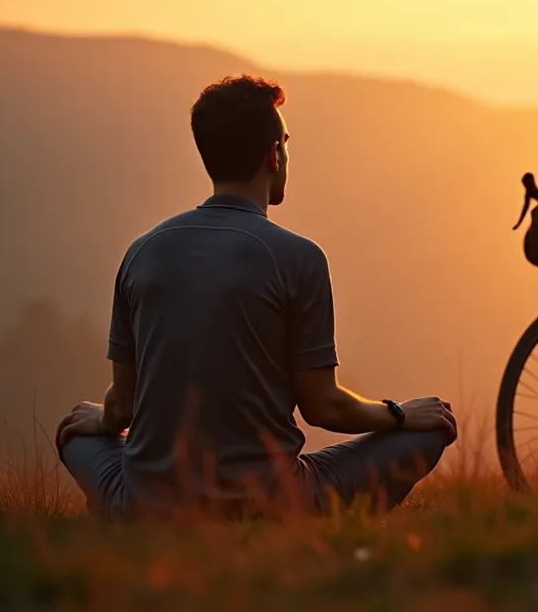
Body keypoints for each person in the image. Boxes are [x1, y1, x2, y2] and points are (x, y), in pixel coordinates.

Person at [54, 75, 457, 522]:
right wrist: (401, 413)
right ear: (273, 155)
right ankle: (326, 528)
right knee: (432, 427)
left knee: (76, 434)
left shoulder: (141, 251)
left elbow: (121, 407)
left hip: (147, 506)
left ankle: (120, 524)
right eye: (285, 141)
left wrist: (100, 419)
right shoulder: (300, 258)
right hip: (275, 505)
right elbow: (325, 407)